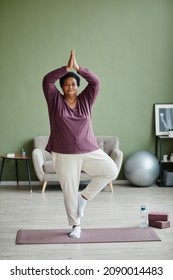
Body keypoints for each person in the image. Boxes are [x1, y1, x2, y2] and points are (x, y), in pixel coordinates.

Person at [42, 50, 118, 238]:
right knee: (69, 190)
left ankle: (83, 197)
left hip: (89, 149)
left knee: (111, 170)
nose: (70, 87)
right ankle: (76, 225)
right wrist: (65, 69)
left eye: (73, 84)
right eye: (66, 84)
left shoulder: (86, 100)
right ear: (61, 87)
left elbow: (96, 82)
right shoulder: (54, 100)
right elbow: (46, 81)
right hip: (63, 152)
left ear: (78, 86)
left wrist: (78, 68)